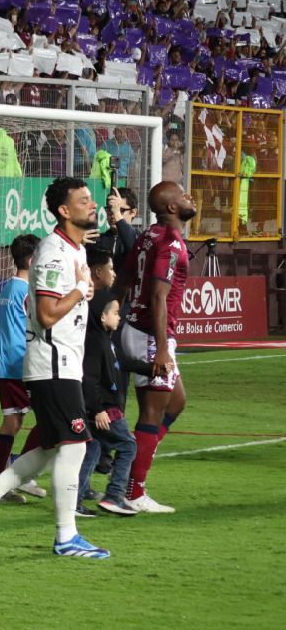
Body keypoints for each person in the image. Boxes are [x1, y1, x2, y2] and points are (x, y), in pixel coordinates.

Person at [0, 176, 109, 559]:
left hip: (65, 364)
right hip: (52, 363)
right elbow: (45, 314)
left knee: (50, 446)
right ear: (64, 210)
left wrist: (83, 291)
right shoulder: (53, 252)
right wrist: (80, 290)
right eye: (83, 200)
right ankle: (66, 536)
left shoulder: (75, 251)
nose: (91, 205)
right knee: (75, 446)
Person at [116, 181, 197, 514]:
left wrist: (113, 315)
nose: (190, 197)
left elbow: (123, 279)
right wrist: (162, 349)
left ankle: (135, 459)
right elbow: (158, 296)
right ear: (172, 208)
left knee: (176, 402)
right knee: (152, 411)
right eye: (183, 195)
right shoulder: (170, 243)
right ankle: (133, 490)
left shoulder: (149, 235)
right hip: (152, 335)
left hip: (139, 328)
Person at [0, 234, 47, 504]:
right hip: (20, 367)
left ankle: (1, 480)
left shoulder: (8, 288)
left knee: (14, 422)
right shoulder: (26, 292)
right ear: (32, 260)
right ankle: (17, 475)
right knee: (49, 419)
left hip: (6, 366)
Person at [78, 296, 139, 518]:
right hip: (104, 410)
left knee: (93, 449)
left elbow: (123, 363)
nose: (119, 316)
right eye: (114, 312)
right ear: (102, 316)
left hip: (100, 408)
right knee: (128, 446)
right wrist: (98, 410)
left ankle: (75, 499)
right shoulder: (96, 342)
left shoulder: (106, 340)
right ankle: (114, 496)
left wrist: (152, 368)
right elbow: (89, 379)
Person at [96, 187, 138, 278]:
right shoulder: (99, 240)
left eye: (120, 210)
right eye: (110, 209)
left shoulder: (139, 239)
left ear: (133, 212)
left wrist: (117, 213)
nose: (113, 214)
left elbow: (132, 247)